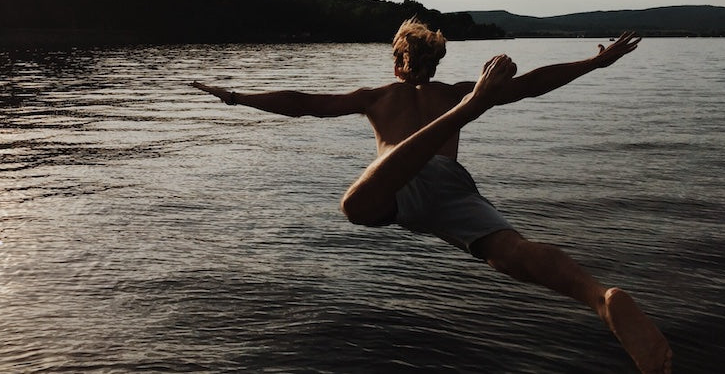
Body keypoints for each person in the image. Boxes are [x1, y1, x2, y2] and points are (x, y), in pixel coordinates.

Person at [190, 18, 672, 373]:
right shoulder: (453, 90)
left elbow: (303, 105)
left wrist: (237, 97)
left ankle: (463, 117)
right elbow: (531, 86)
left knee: (355, 207)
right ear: (432, 62)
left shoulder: (376, 97)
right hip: (452, 184)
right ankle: (599, 298)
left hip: (400, 175)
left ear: (397, 60)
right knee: (509, 252)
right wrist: (594, 62)